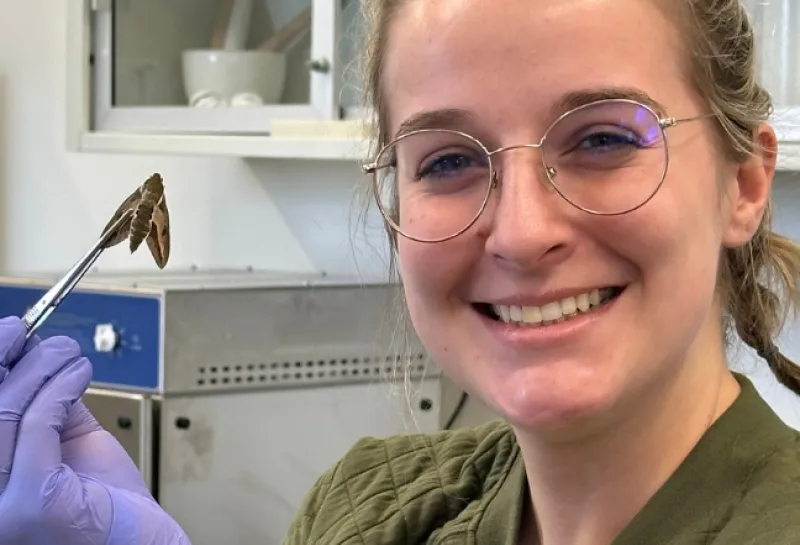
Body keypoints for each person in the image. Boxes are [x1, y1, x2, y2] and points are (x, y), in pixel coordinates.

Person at [0, 0, 799, 543]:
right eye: (449, 159)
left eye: (603, 140)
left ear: (745, 184)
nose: (521, 232)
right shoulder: (368, 507)